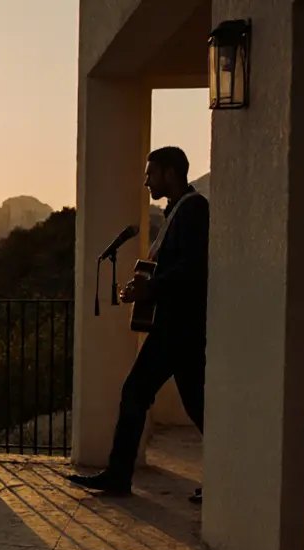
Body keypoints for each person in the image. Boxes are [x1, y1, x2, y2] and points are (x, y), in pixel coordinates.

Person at [68, 146, 208, 500]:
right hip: (176, 327)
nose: (146, 181)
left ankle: (118, 477)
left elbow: (193, 268)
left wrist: (152, 288)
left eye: (152, 173)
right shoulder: (178, 211)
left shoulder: (193, 210)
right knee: (196, 403)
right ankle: (227, 476)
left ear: (170, 173)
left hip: (179, 327)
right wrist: (145, 286)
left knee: (138, 393)